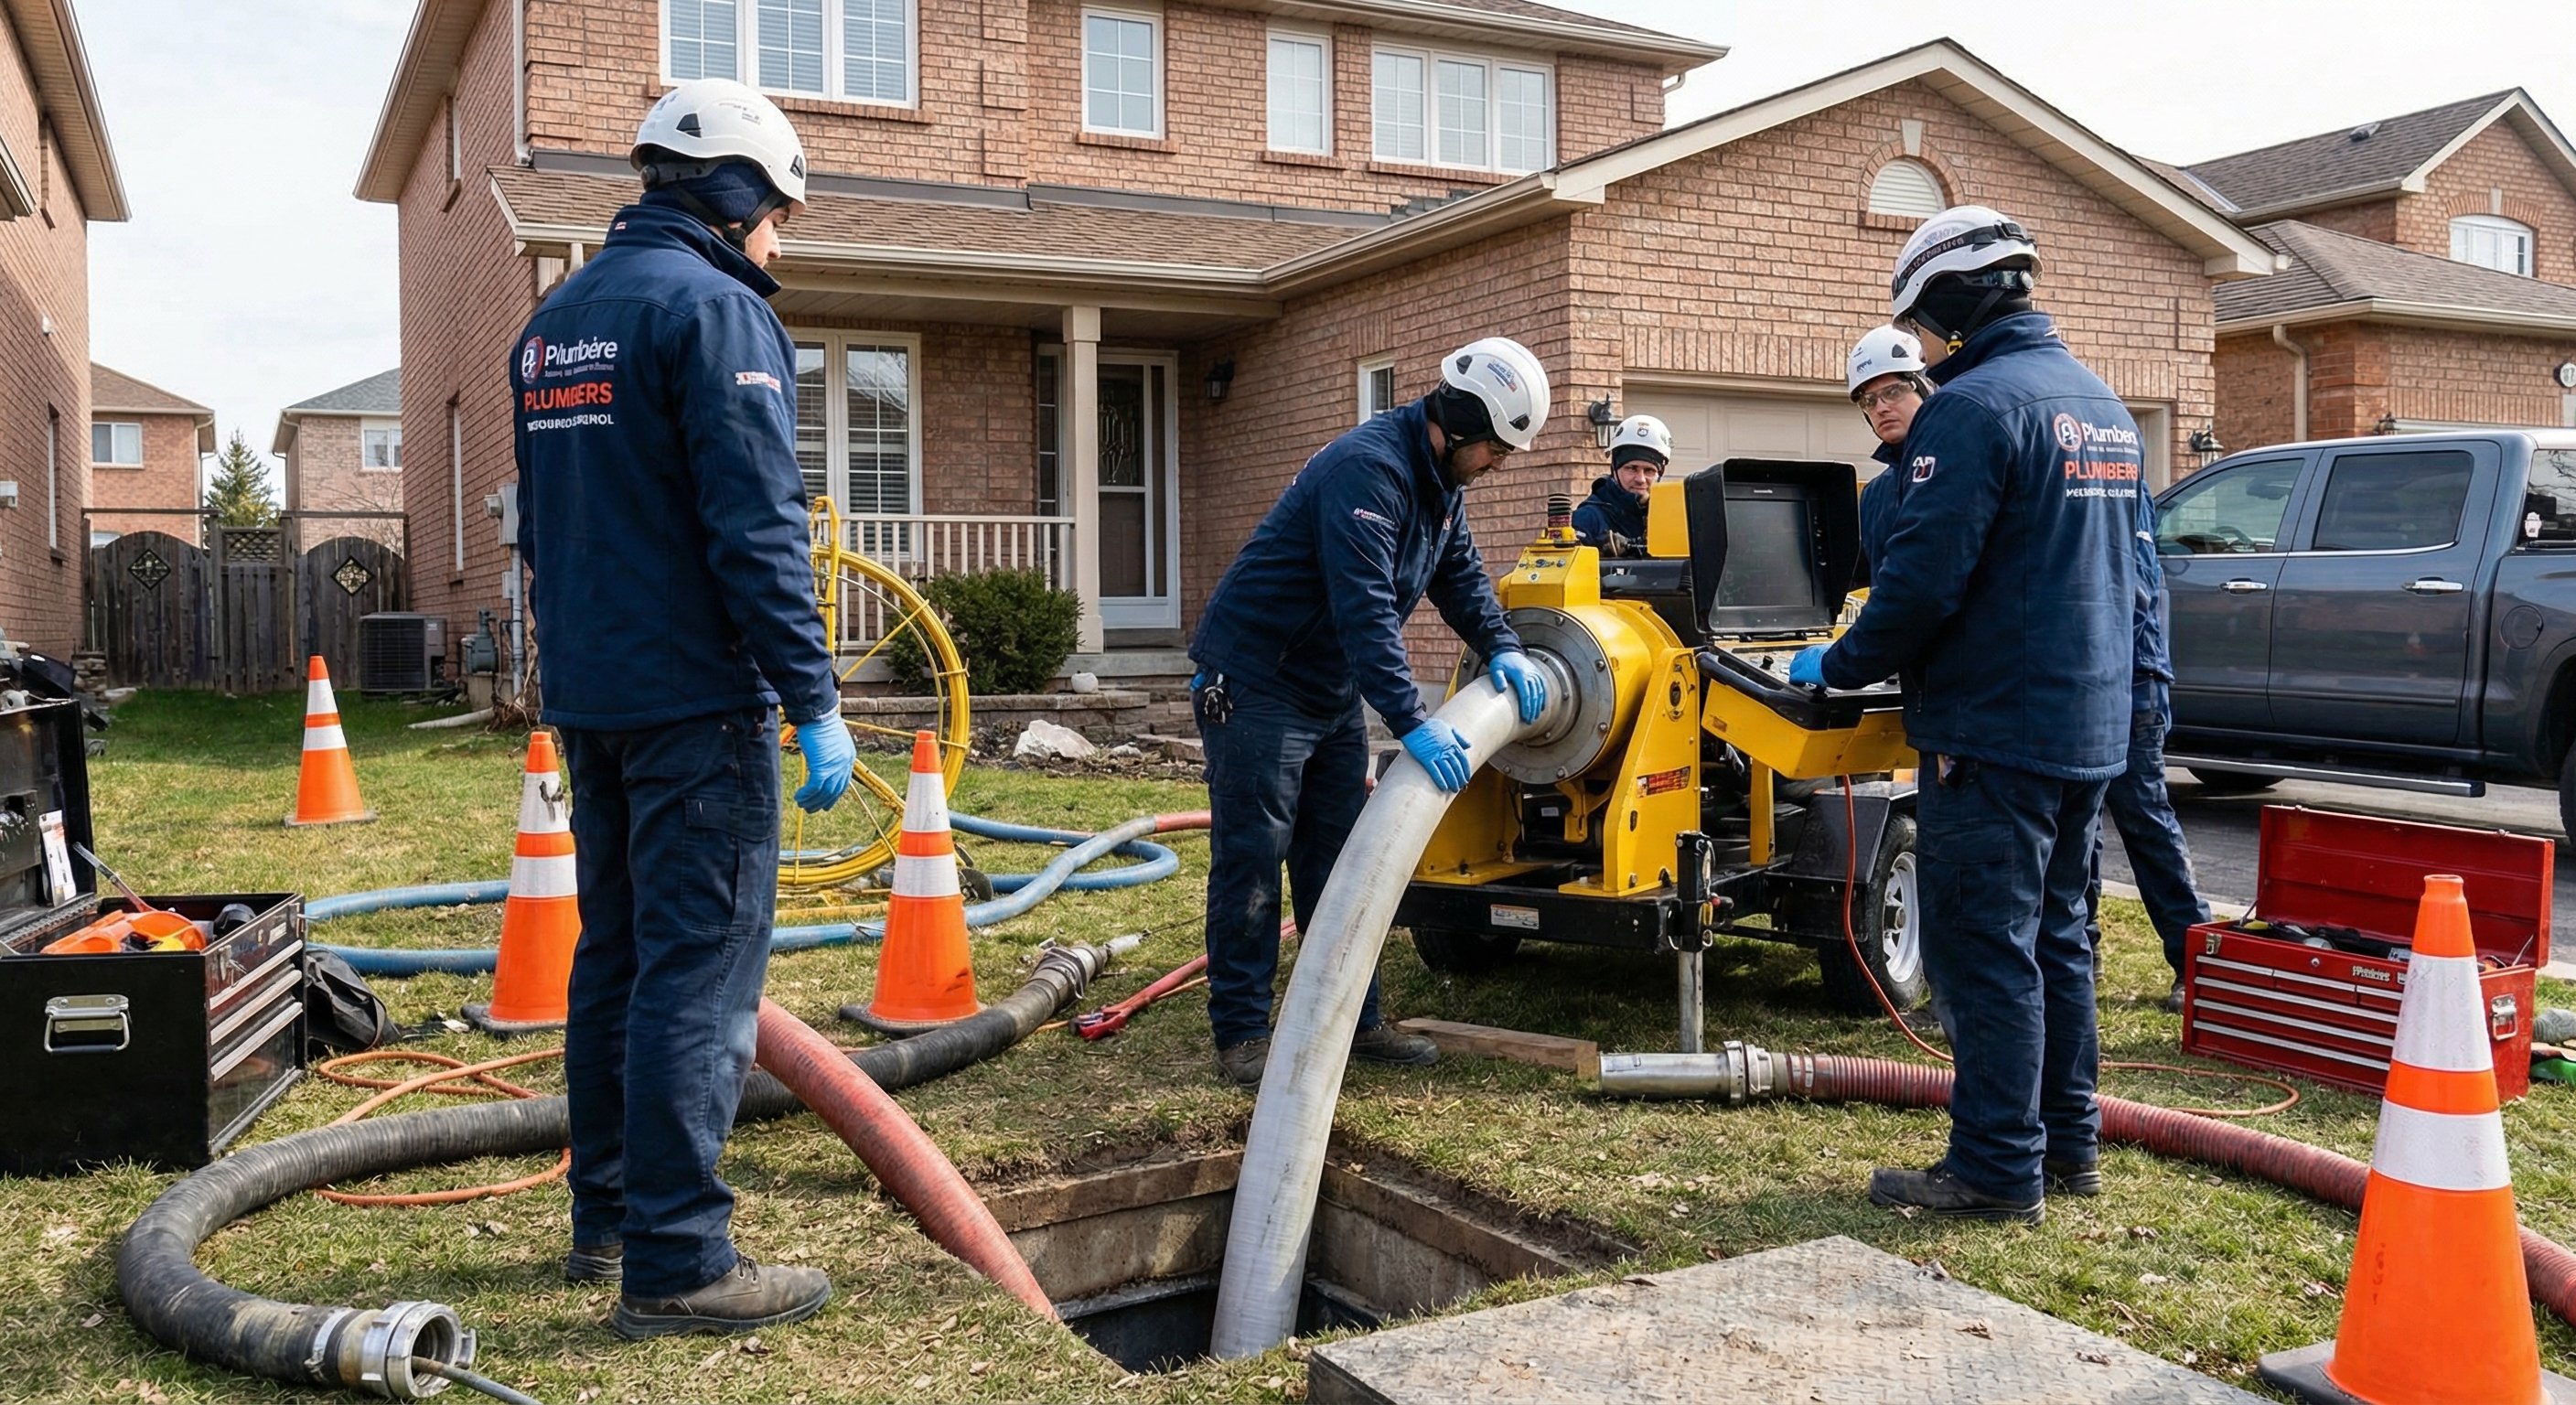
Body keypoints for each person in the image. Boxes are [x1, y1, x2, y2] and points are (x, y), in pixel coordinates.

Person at [512, 77, 855, 1338]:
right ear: (732, 196)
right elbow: (758, 529)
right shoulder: (715, 311)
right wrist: (810, 699)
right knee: (699, 978)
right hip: (698, 705)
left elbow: (542, 532)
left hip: (593, 697)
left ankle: (605, 1218)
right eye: (777, 215)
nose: (780, 240)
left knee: (613, 957)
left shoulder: (555, 324)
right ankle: (677, 1261)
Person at [1788, 207, 2146, 1222]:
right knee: (2058, 940)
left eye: (1922, 324)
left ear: (1949, 301)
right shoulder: (2100, 406)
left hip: (1991, 732)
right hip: (2087, 725)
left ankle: (1994, 1168)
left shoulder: (1971, 407)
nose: (1924, 347)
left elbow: (1920, 585)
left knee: (1982, 951)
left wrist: (1840, 664)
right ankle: (2065, 1150)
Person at [1187, 338, 1554, 1089]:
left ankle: (1355, 1019)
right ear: (1457, 422)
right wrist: (1411, 719)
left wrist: (1502, 645)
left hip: (1323, 689)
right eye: (1495, 449)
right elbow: (1367, 612)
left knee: (1340, 861)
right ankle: (1242, 1034)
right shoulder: (1370, 470)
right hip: (1257, 681)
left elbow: (1460, 578)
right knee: (1253, 860)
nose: (1498, 466)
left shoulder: (1437, 483)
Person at [2095, 520, 2213, 1013]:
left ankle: (2196, 967)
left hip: (2131, 685)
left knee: (2145, 822)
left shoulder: (2119, 495)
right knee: (2077, 826)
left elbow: (2134, 592)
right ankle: (2082, 956)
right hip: (2084, 685)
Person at [1847, 326, 1931, 587]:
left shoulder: (1964, 469)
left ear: (1925, 387)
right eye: (1869, 401)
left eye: (1894, 392)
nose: (1881, 407)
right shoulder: (1875, 495)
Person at [1572, 414, 1673, 556]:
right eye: (1632, 468)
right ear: (1614, 469)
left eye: (1649, 470)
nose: (1641, 479)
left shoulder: (1671, 519)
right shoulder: (1587, 519)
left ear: (1660, 473)